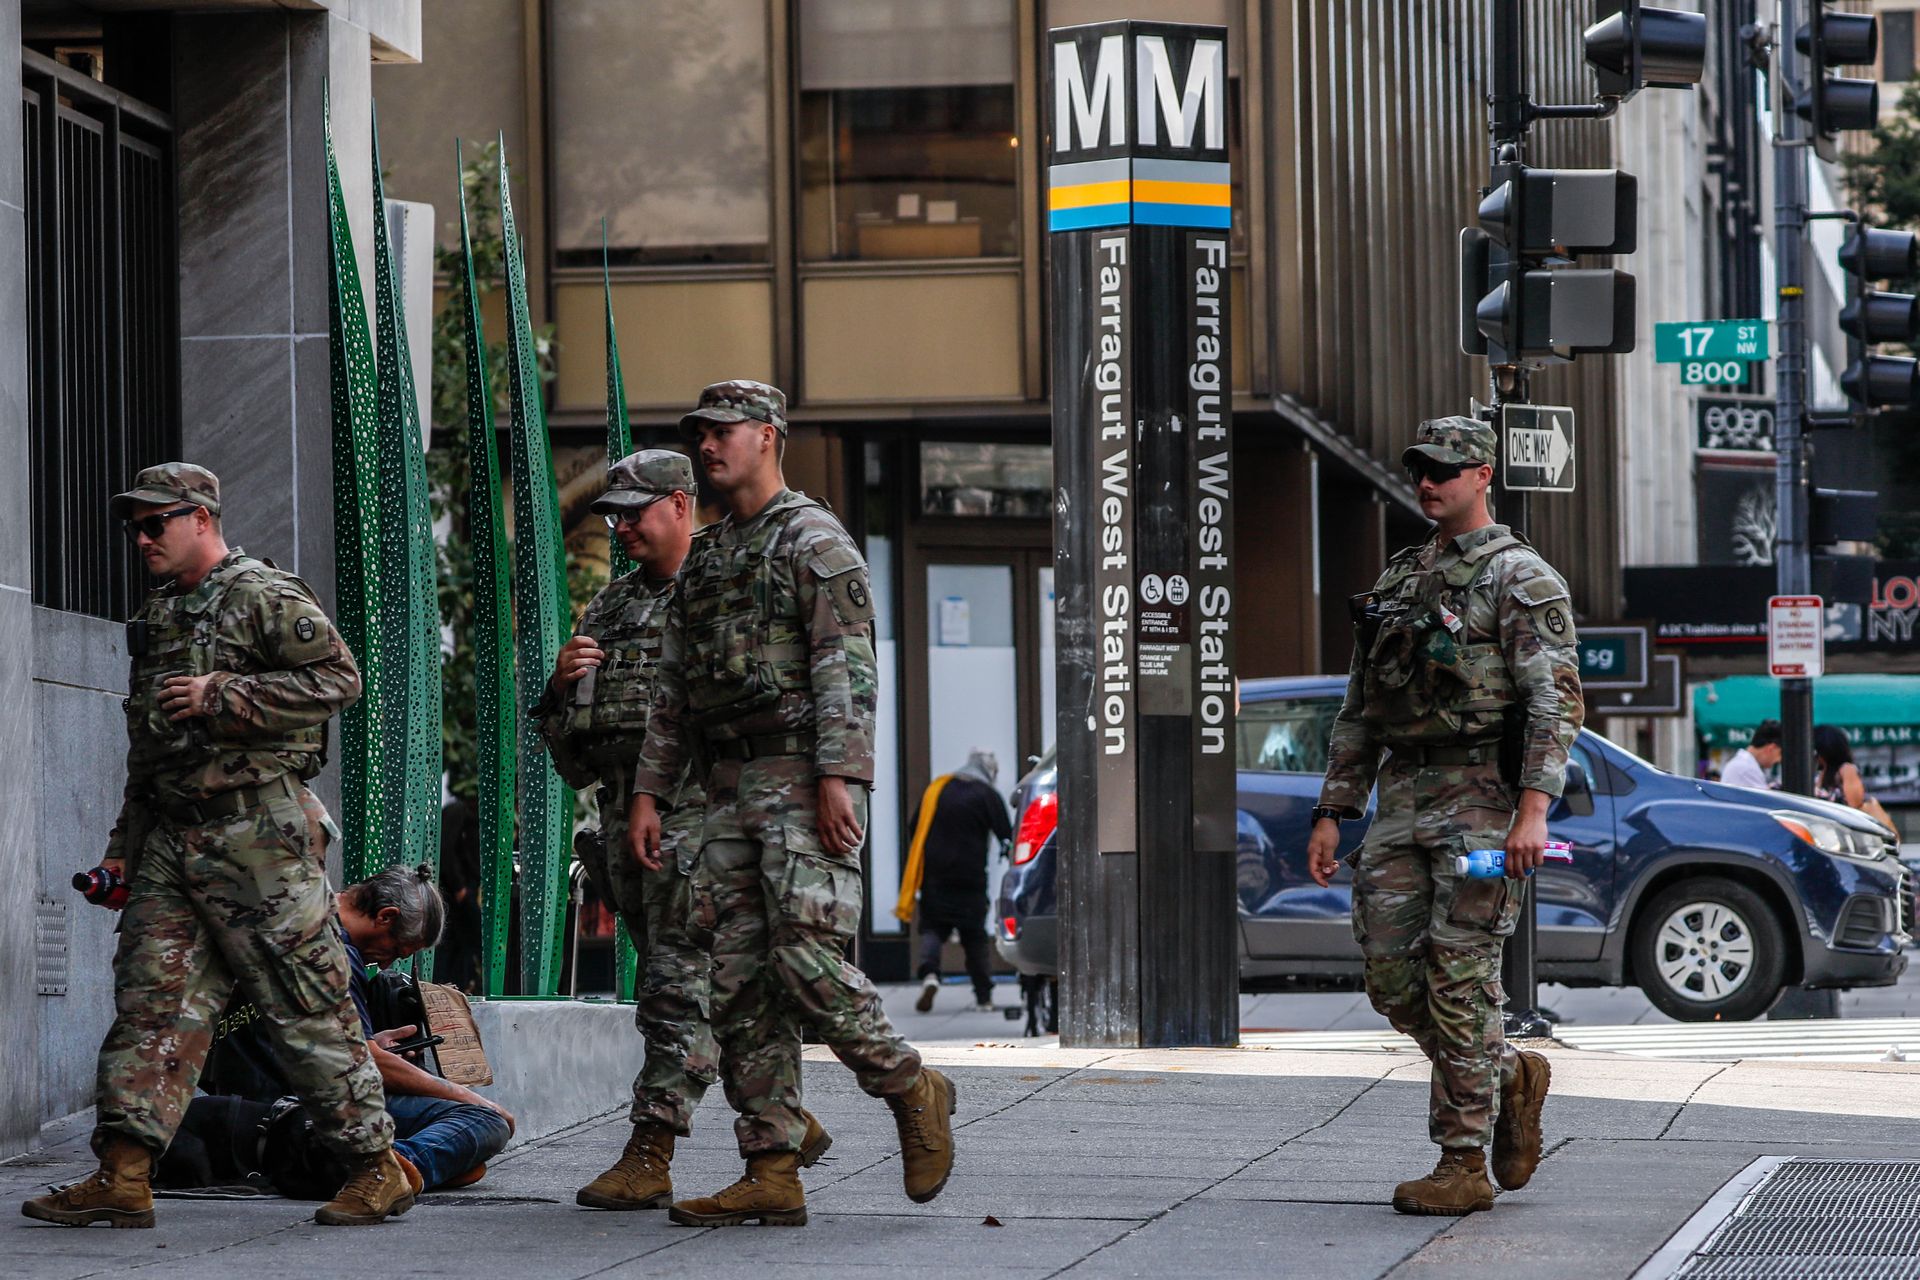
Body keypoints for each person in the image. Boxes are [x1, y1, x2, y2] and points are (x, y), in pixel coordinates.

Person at [23, 463, 412, 1230]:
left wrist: (222, 694)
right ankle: (125, 1175)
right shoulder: (162, 613)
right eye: (133, 525)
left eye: (154, 522)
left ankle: (376, 1167)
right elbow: (149, 751)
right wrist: (121, 850)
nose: (140, 537)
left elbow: (342, 679)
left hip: (256, 839)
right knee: (150, 1004)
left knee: (306, 1004)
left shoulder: (261, 595)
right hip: (170, 838)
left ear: (200, 517)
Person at [630, 380, 955, 1227]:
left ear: (768, 437)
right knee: (737, 984)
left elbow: (846, 666)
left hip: (799, 779)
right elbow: (672, 689)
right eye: (698, 434)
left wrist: (839, 777)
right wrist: (649, 793)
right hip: (726, 788)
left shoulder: (815, 541)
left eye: (722, 432)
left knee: (804, 963)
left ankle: (910, 1084)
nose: (706, 446)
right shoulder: (706, 555)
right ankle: (771, 1167)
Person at [535, 449, 832, 1212]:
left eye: (633, 511)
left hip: (705, 819)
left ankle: (651, 1150)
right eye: (612, 514)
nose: (620, 526)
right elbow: (572, 754)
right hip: (622, 820)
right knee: (708, 988)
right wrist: (559, 689)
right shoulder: (609, 608)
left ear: (679, 503)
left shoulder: (725, 590)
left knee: (673, 986)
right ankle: (781, 1118)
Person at [1306, 417, 1584, 1217]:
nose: (1429, 482)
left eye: (1446, 470)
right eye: (1420, 469)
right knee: (1393, 979)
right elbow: (1360, 707)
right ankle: (1508, 1076)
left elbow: (1553, 702)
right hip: (1401, 797)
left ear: (1483, 474)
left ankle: (1462, 1161)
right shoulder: (1400, 577)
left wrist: (1534, 810)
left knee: (1461, 978)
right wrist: (1335, 809)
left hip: (1484, 803)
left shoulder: (1521, 578)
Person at [194, 866, 513, 1193]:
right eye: (395, 950)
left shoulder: (293, 918)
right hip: (295, 1110)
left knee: (453, 1136)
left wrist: (371, 1043)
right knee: (482, 1122)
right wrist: (473, 1099)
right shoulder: (336, 949)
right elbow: (363, 1062)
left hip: (248, 1100)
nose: (387, 964)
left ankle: (402, 1164)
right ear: (385, 917)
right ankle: (387, 1170)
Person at [897, 750, 1012, 1013]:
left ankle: (930, 975)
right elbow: (1006, 833)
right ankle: (984, 997)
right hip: (970, 876)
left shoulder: (938, 789)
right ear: (989, 772)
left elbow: (914, 827)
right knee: (974, 937)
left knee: (933, 928)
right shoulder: (987, 795)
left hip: (935, 875)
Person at [1720, 720, 1782, 791]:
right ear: (1771, 748)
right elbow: (1764, 800)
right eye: (1780, 753)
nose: (1779, 759)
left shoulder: (1744, 764)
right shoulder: (1745, 769)